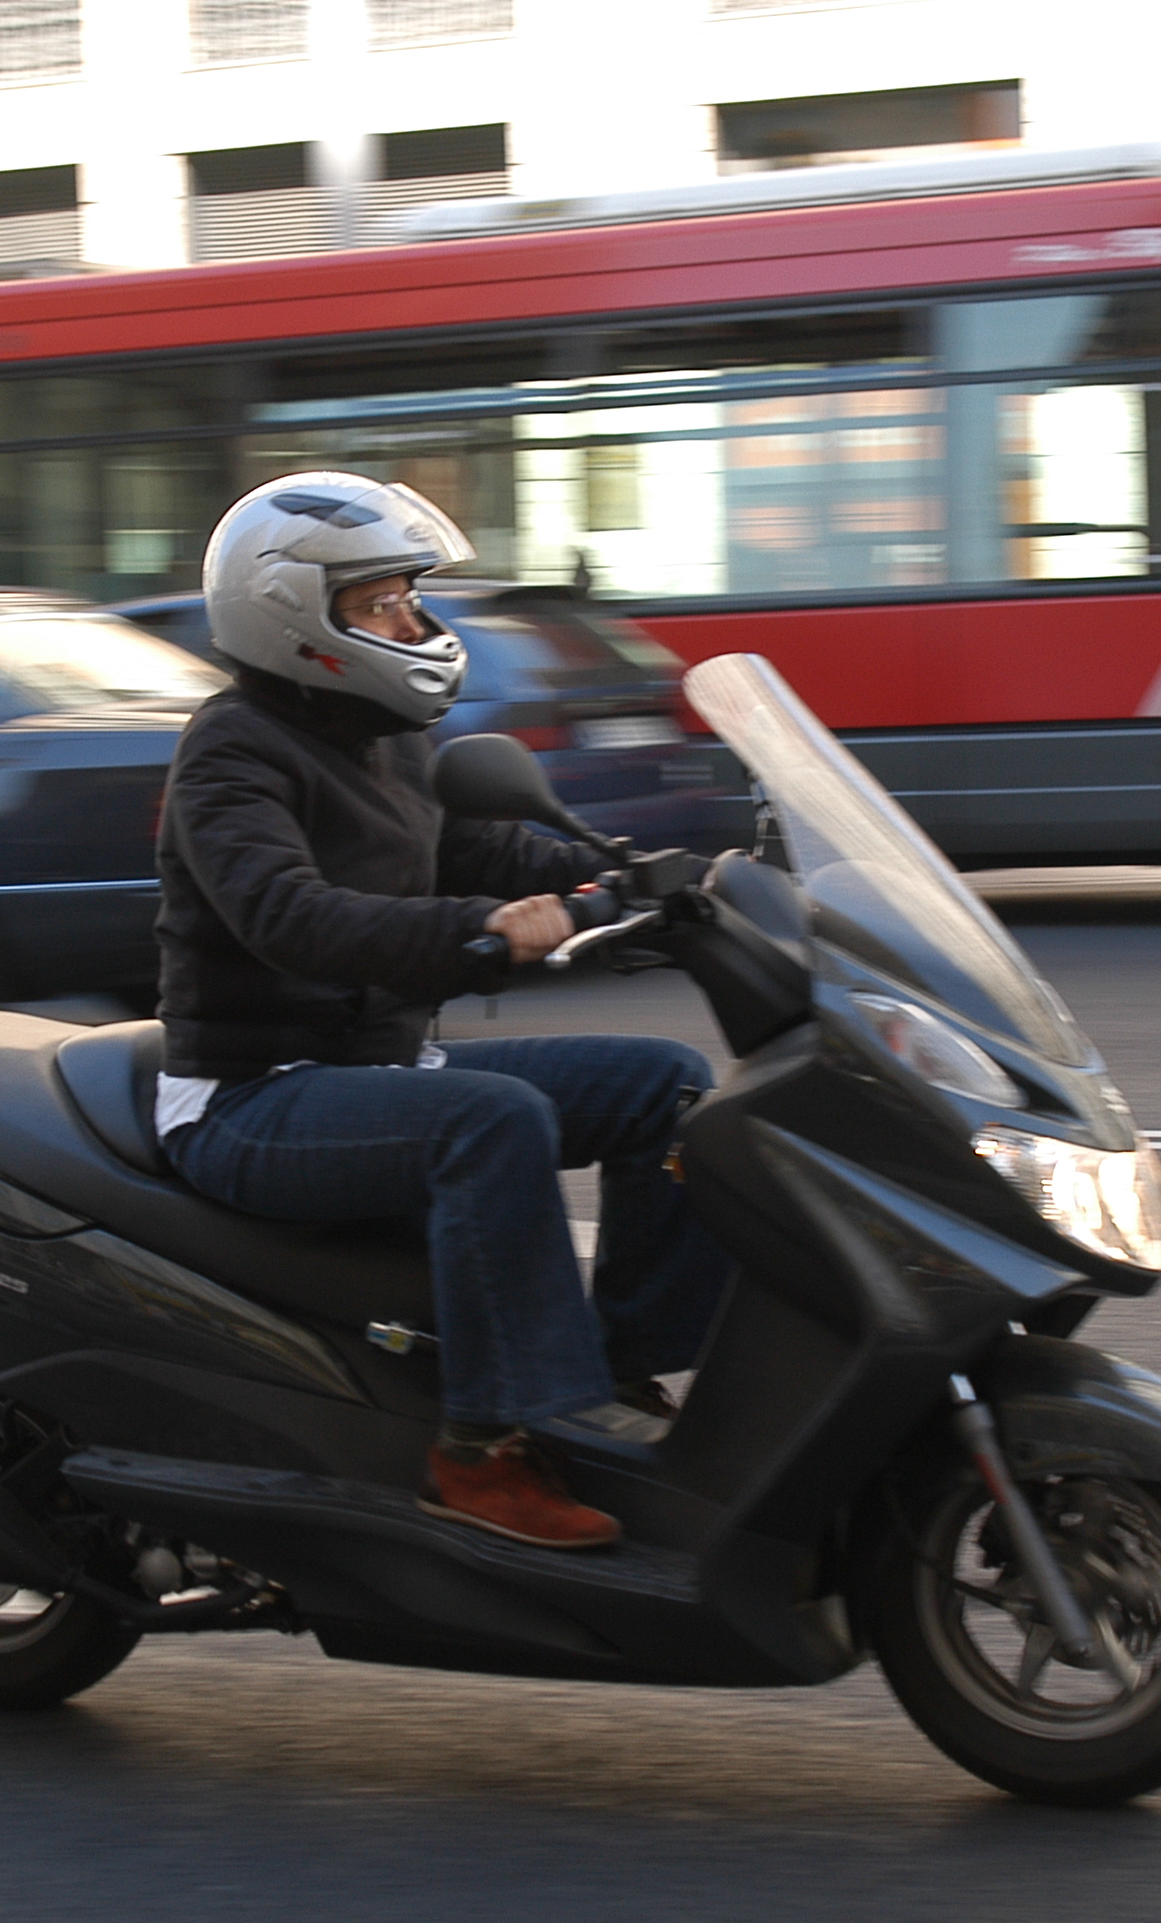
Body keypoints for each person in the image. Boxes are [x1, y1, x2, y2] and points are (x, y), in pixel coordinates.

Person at [152, 473, 731, 1551]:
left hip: (376, 1076)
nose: (416, 623)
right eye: (385, 603)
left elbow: (482, 848)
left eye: (410, 598)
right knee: (492, 1117)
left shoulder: (383, 736)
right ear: (297, 612)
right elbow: (290, 916)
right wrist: (478, 928)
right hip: (250, 1097)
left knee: (669, 1085)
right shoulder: (229, 752)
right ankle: (481, 1449)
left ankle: (616, 1367)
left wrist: (644, 876)